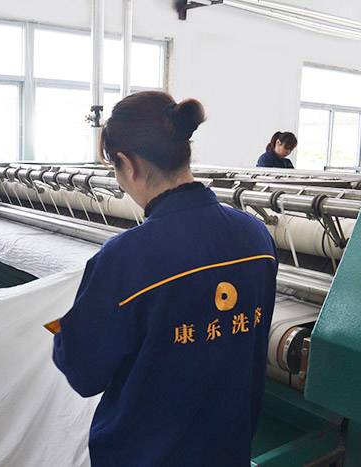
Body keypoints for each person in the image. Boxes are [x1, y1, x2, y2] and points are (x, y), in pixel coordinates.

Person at [52, 91, 278, 466]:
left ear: (128, 163)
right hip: (228, 452)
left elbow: (83, 373)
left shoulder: (125, 259)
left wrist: (63, 327)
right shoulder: (257, 238)